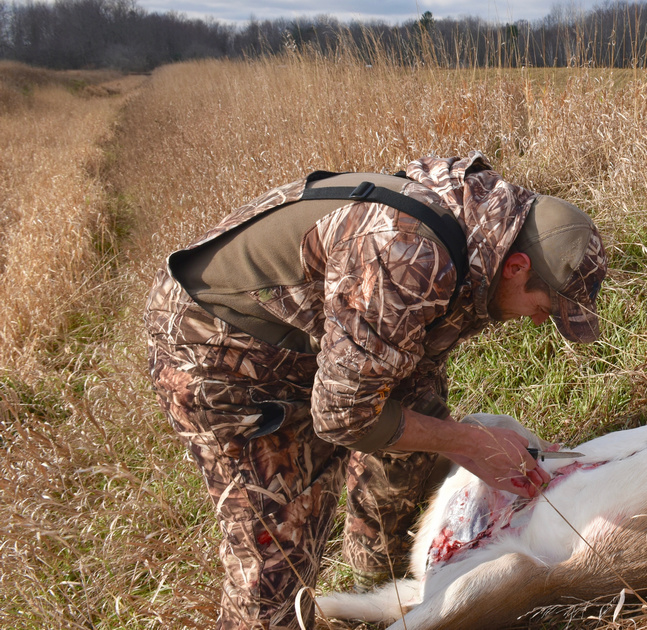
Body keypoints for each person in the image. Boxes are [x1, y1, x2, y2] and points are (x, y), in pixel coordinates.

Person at [145, 151, 607, 629]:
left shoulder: (486, 225)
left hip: (323, 333)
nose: (538, 320)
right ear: (517, 266)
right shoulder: (410, 257)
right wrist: (470, 443)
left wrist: (448, 437)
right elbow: (342, 416)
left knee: (417, 426)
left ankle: (373, 578)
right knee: (277, 556)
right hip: (221, 351)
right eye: (545, 306)